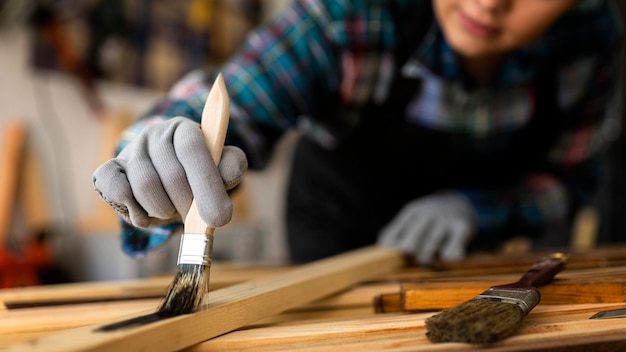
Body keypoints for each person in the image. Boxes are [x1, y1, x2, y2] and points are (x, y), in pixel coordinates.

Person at [93, 0, 623, 264]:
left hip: (465, 259)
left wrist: (476, 209)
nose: (490, 2)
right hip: (331, 234)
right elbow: (239, 98)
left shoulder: (590, 38)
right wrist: (156, 150)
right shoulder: (349, 16)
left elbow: (568, 181)